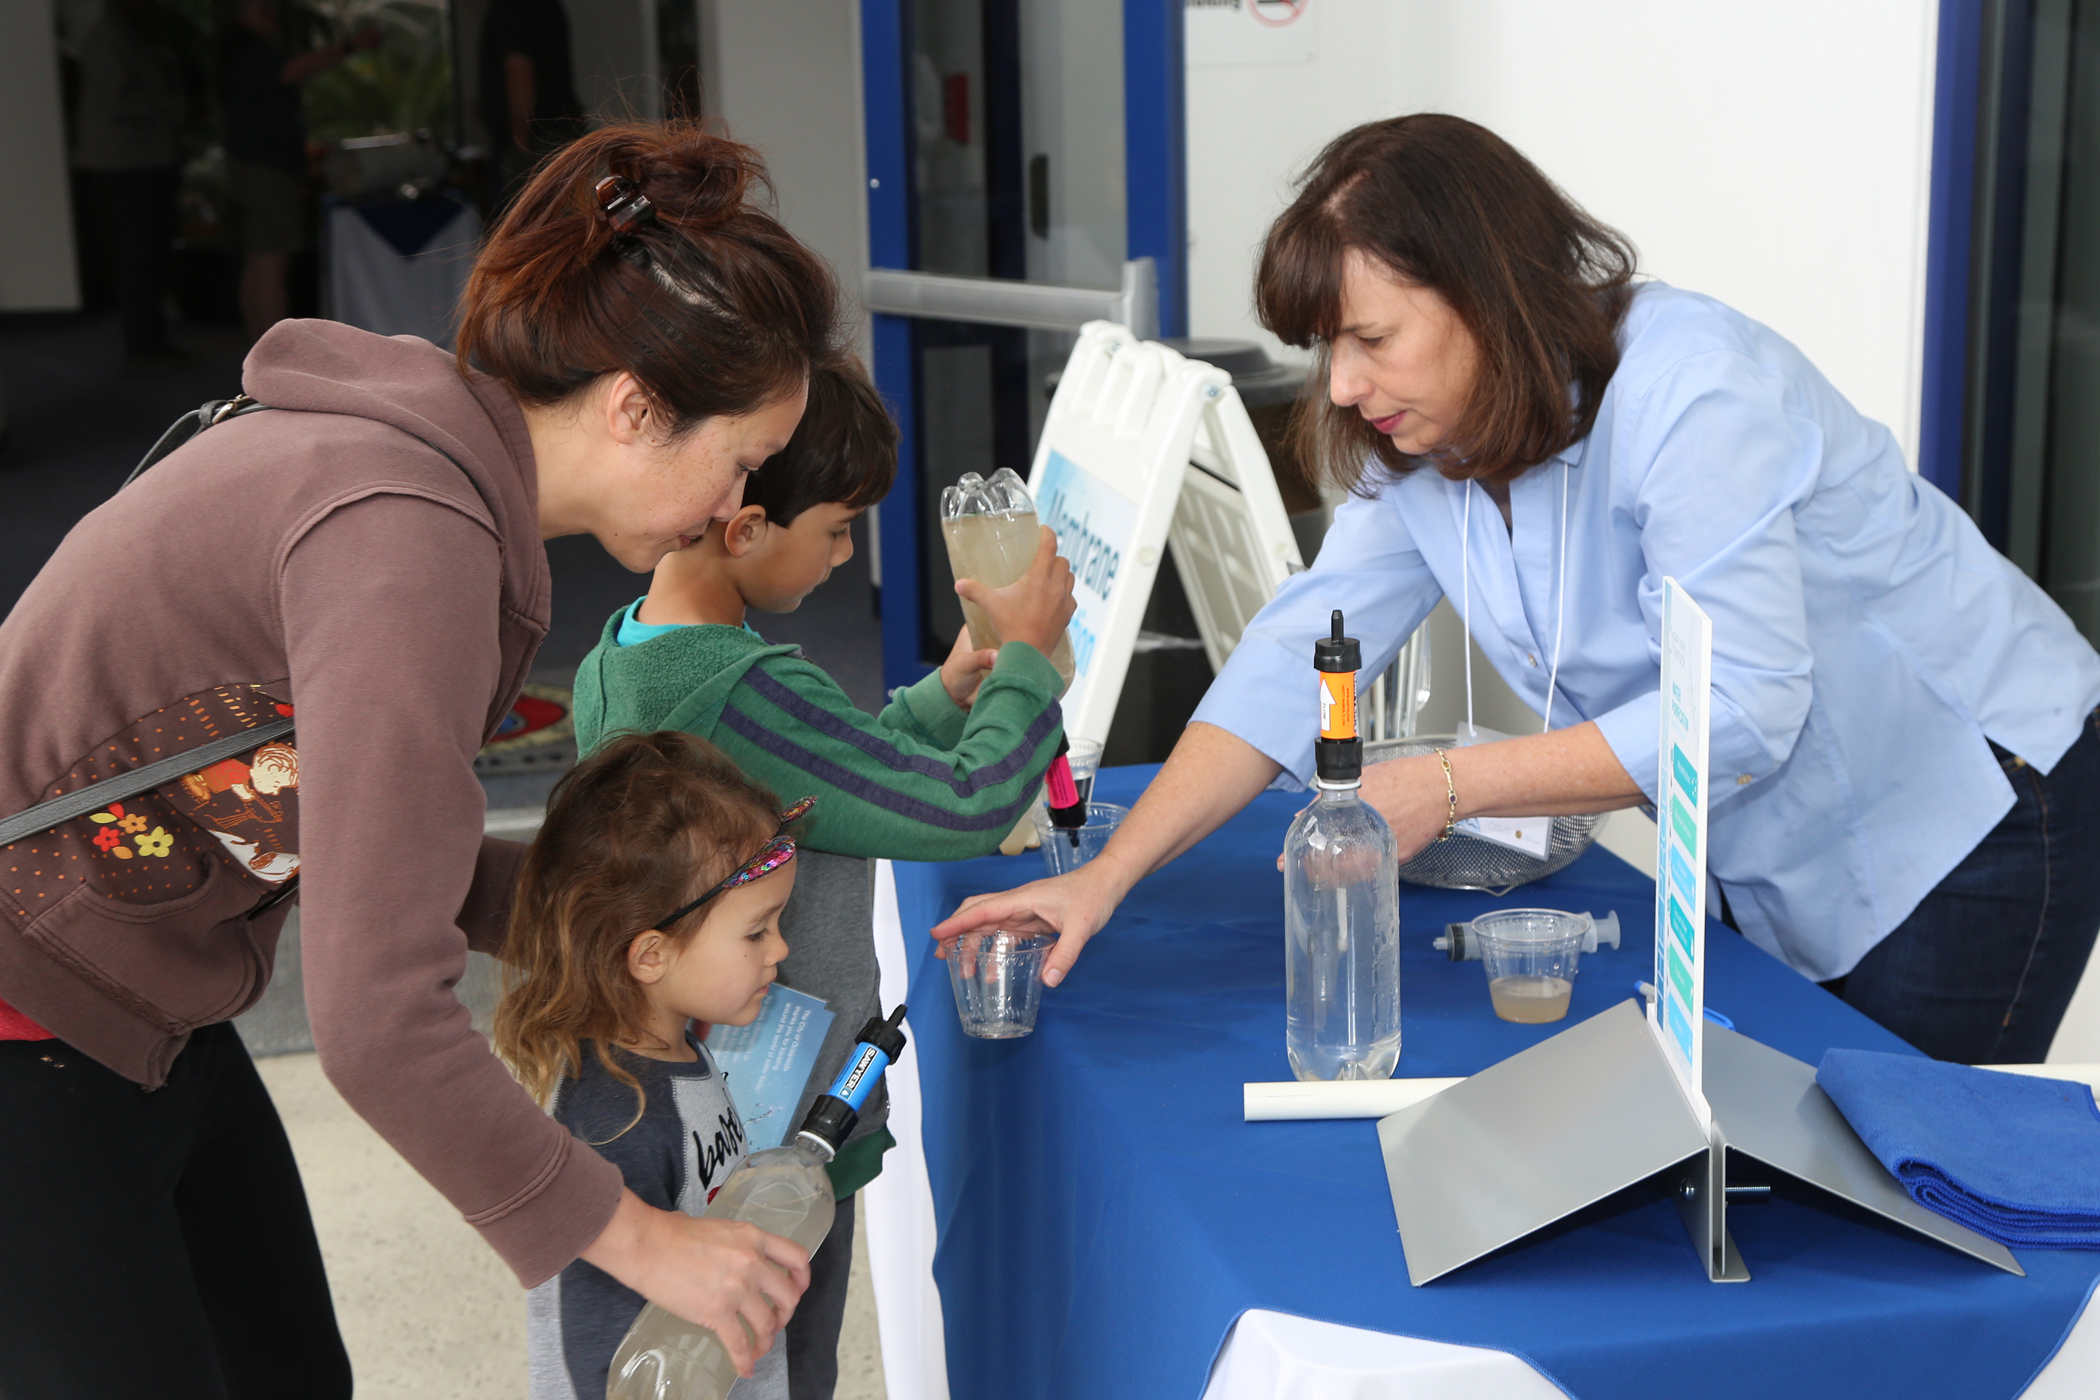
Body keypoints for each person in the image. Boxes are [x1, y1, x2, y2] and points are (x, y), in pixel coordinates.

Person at [933, 113, 2100, 1067]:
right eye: (1324, 347)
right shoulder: (1428, 445)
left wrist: (1448, 782)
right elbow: (1297, 652)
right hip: (1771, 827)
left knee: (1915, 1171)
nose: (1340, 386)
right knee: (1805, 1117)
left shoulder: (1693, 395)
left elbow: (1743, 703)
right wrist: (1104, 875)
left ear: (1486, 293)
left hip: (1973, 802)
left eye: (1369, 339)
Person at [0, 122, 835, 1398]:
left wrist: (631, 922)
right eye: (741, 462)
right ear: (636, 407)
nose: (734, 510)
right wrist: (641, 1234)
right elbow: (379, 1018)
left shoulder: (424, 469)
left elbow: (382, 842)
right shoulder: (409, 540)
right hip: (31, 1010)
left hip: (137, 992)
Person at [571, 355, 1075, 1398]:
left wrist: (943, 694)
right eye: (839, 527)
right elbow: (960, 805)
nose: (848, 555)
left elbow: (823, 779)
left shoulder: (623, 654)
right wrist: (1027, 660)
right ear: (744, 523)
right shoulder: (747, 686)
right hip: (770, 1142)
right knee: (772, 1370)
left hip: (661, 1107)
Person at [496, 731, 809, 1400]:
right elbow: (604, 1347)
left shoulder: (671, 1051)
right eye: (757, 931)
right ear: (651, 956)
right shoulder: (617, 1118)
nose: (779, 949)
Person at [217, 0, 380, 343]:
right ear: (241, 15)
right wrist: (349, 45)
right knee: (272, 266)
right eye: (262, 9)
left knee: (258, 262)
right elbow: (294, 69)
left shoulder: (237, 51)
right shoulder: (250, 52)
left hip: (251, 164)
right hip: (266, 169)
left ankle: (258, 346)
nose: (272, 14)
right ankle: (278, 357)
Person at [74, 0, 190, 368]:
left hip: (149, 155)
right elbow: (116, 98)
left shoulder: (137, 31)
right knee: (136, 253)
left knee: (150, 250)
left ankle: (152, 339)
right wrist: (170, 108)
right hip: (127, 160)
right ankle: (142, 345)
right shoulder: (106, 35)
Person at [478, 0, 585, 210]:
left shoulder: (514, 7)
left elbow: (520, 73)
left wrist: (521, 144)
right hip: (553, 136)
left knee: (538, 226)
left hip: (541, 142)